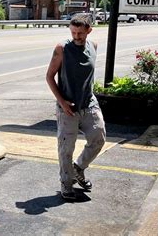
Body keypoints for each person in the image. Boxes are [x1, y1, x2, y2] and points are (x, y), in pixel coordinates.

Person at [45, 14, 106, 200]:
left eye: (80, 33)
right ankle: (66, 183)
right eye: (73, 32)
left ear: (89, 30)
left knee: (99, 138)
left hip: (89, 104)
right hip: (67, 108)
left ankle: (78, 168)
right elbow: (49, 76)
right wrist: (61, 102)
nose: (76, 36)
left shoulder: (93, 46)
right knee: (66, 148)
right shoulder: (62, 49)